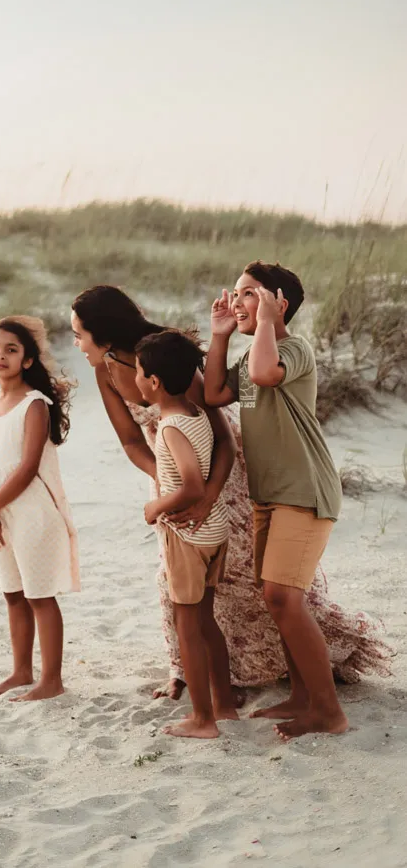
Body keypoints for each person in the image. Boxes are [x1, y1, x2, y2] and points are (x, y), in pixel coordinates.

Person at [73, 284, 390, 701]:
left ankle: (293, 662)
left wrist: (208, 495)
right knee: (178, 575)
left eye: (79, 334)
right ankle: (188, 669)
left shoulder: (165, 354)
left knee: (243, 574)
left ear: (105, 333)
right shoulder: (105, 369)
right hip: (171, 474)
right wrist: (165, 479)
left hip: (219, 471)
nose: (76, 344)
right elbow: (132, 442)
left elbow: (223, 435)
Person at [204, 261, 349, 740]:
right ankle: (303, 696)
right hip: (270, 497)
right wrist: (221, 334)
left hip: (304, 489)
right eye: (238, 293)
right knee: (278, 598)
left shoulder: (294, 348)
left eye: (250, 294)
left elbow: (268, 373)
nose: (238, 301)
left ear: (279, 302)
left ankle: (328, 712)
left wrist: (265, 324)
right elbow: (214, 392)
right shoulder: (248, 359)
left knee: (284, 596)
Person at [0, 316, 79, 702]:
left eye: (11, 350)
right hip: (0, 516)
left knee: (39, 595)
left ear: (28, 361)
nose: (0, 355)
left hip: (32, 512)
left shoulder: (35, 404)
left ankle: (51, 679)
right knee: (12, 594)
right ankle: (21, 670)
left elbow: (28, 466)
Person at [136, 329, 236, 738]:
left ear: (154, 382)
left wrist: (155, 507)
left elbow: (192, 485)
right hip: (214, 532)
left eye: (140, 373)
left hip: (188, 539)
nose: (137, 380)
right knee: (206, 620)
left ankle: (202, 719)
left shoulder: (172, 427)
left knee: (188, 627)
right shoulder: (195, 414)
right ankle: (224, 705)